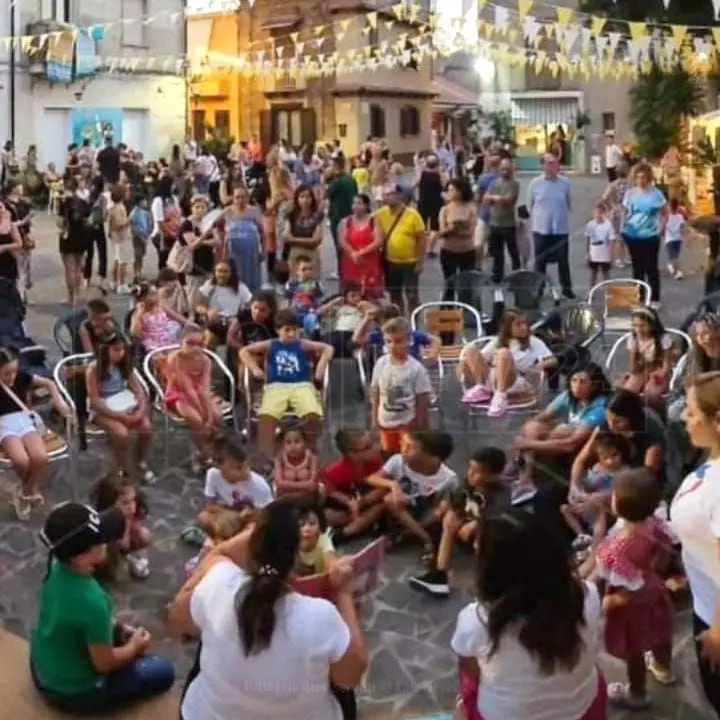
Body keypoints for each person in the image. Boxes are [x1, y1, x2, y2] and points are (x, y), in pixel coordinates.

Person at [168, 500, 368, 720]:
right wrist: (344, 592)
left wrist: (256, 531)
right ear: (295, 557)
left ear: (253, 542)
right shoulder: (321, 616)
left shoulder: (218, 581)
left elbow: (178, 621)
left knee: (207, 630)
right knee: (337, 669)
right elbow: (350, 676)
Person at [450, 509, 606, 720]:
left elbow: (472, 671)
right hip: (582, 709)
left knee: (467, 680)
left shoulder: (477, 621)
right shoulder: (587, 597)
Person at [30, 503, 174, 713]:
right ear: (80, 557)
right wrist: (134, 647)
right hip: (70, 691)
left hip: (41, 665)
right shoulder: (93, 601)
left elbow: (75, 615)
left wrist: (114, 626)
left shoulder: (56, 565)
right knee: (163, 670)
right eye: (100, 540)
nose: (107, 541)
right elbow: (103, 664)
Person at [595, 468, 674, 709]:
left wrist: (604, 604)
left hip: (631, 604)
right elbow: (662, 558)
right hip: (653, 589)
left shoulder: (617, 549)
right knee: (661, 631)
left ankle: (638, 694)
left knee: (634, 650)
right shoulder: (655, 523)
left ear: (621, 504)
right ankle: (663, 669)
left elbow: (622, 594)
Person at [672, 372, 720, 716]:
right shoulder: (712, 457)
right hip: (705, 601)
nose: (683, 418)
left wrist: (718, 632)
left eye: (691, 412)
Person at [409, 446, 508, 597]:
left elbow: (496, 517)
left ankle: (489, 585)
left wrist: (476, 524)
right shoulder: (470, 483)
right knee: (448, 518)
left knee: (483, 541)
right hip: (465, 529)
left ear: (492, 476)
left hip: (487, 536)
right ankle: (439, 575)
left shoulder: (500, 494)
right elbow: (457, 499)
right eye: (470, 468)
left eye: (477, 472)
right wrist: (450, 508)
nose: (470, 474)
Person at [239, 310, 333, 460]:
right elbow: (244, 351)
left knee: (313, 414)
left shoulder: (302, 344)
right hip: (276, 386)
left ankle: (310, 449)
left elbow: (328, 348)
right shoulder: (272, 344)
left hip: (301, 385)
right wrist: (254, 368)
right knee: (267, 417)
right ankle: (267, 458)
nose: (291, 334)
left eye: (294, 330)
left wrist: (321, 366)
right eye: (287, 330)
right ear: (278, 330)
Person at [366, 429, 457, 558]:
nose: (403, 450)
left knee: (443, 509)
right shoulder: (398, 461)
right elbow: (372, 478)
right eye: (404, 445)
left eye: (410, 447)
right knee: (389, 498)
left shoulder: (449, 478)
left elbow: (446, 504)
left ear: (431, 456)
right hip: (400, 506)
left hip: (426, 513)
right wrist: (393, 485)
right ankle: (424, 537)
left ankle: (406, 534)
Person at [459, 309, 555, 418]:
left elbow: (553, 360)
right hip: (492, 379)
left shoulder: (533, 341)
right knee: (470, 350)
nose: (523, 328)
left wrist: (538, 366)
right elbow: (482, 359)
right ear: (508, 328)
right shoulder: (498, 341)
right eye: (518, 325)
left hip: (515, 380)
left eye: (525, 324)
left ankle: (500, 395)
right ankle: (482, 388)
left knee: (503, 353)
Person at [85, 333, 155, 482]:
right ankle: (122, 468)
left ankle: (141, 461)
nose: (120, 354)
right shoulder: (94, 369)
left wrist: (141, 410)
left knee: (146, 427)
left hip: (124, 402)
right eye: (116, 350)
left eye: (122, 350)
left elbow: (139, 390)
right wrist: (119, 416)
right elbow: (95, 400)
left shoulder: (124, 366)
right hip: (104, 408)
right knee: (121, 434)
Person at [164, 325, 224, 471]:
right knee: (196, 419)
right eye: (190, 343)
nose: (195, 348)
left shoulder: (205, 360)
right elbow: (187, 389)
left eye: (200, 344)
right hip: (178, 394)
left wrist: (209, 415)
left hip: (198, 393)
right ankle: (202, 453)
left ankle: (210, 448)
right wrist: (204, 415)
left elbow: (204, 388)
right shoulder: (175, 358)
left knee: (217, 416)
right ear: (181, 343)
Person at [370, 317, 433, 455]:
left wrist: (421, 427)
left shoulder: (416, 369)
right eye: (388, 341)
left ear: (408, 340)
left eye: (398, 341)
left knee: (408, 455)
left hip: (407, 424)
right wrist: (374, 419)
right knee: (388, 455)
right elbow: (376, 392)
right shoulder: (381, 363)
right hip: (385, 422)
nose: (392, 346)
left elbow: (422, 400)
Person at [561, 431, 628, 553]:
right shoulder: (597, 468)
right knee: (565, 508)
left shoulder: (623, 471)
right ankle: (582, 535)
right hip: (590, 503)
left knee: (600, 510)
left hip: (607, 508)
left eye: (614, 456)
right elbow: (589, 485)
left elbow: (621, 492)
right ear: (599, 458)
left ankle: (597, 543)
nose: (610, 461)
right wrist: (579, 492)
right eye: (605, 458)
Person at [197, 437, 273, 537]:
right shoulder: (213, 475)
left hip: (250, 522)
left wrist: (244, 518)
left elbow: (265, 517)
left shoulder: (259, 485)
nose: (245, 471)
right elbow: (210, 506)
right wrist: (230, 515)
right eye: (237, 468)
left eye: (245, 466)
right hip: (231, 514)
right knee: (203, 517)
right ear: (220, 466)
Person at [322, 427, 387, 541]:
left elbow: (385, 486)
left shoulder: (376, 462)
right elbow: (329, 489)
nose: (374, 448)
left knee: (382, 505)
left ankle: (345, 533)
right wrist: (348, 501)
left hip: (367, 502)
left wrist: (363, 501)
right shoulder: (337, 470)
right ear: (351, 454)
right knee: (328, 515)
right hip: (347, 504)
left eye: (372, 443)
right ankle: (359, 526)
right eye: (367, 447)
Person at [527, 153, 574, 299]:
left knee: (563, 261)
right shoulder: (535, 183)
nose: (553, 166)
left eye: (555, 163)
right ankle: (538, 289)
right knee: (540, 261)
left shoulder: (565, 182)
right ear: (543, 166)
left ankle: (567, 289)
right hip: (541, 229)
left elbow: (569, 203)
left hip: (560, 228)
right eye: (549, 163)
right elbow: (530, 205)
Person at [621, 162, 667, 308]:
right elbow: (625, 211)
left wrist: (661, 229)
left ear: (648, 178)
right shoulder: (630, 193)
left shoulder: (656, 194)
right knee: (637, 268)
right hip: (632, 234)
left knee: (651, 267)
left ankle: (655, 299)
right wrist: (622, 227)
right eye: (637, 177)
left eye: (642, 177)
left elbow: (664, 213)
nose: (639, 180)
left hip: (650, 235)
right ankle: (638, 296)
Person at [90, 473, 152, 580]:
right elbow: (124, 544)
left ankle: (131, 559)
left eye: (133, 500)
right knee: (108, 564)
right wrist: (126, 524)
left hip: (121, 539)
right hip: (108, 546)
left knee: (144, 535)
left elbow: (136, 530)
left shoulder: (131, 514)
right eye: (125, 503)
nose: (131, 506)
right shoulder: (104, 521)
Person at [376, 184, 426, 314]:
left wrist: (420, 263)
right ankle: (399, 322)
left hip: (410, 262)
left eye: (389, 194)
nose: (385, 198)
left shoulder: (412, 215)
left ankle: (414, 323)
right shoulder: (381, 214)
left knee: (412, 296)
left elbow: (421, 239)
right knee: (394, 295)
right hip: (390, 262)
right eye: (384, 195)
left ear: (399, 196)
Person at [617, 306, 674, 405]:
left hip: (659, 371)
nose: (639, 330)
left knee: (651, 394)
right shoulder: (633, 339)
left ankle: (654, 415)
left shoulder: (662, 339)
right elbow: (633, 369)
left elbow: (666, 364)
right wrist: (634, 352)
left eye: (643, 325)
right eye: (635, 326)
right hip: (640, 370)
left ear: (652, 325)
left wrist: (659, 374)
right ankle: (632, 415)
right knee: (627, 393)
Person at [337, 193, 384, 300]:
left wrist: (361, 252)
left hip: (369, 262)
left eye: (359, 203)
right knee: (351, 292)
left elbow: (378, 240)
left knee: (370, 294)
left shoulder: (374, 221)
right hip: (351, 262)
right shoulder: (345, 222)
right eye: (353, 203)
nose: (355, 206)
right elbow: (342, 240)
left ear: (367, 206)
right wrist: (353, 253)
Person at [196, 260, 252, 348]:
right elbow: (198, 306)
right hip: (213, 324)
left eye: (225, 271)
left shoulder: (241, 287)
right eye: (219, 271)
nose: (221, 275)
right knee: (209, 341)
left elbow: (250, 305)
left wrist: (240, 319)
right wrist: (207, 311)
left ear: (231, 273)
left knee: (235, 341)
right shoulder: (209, 285)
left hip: (233, 323)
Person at [485, 157, 520, 284]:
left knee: (513, 252)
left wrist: (494, 198)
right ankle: (497, 275)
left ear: (511, 170)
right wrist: (497, 198)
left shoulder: (514, 184)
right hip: (494, 223)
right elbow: (486, 199)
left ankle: (517, 275)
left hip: (508, 224)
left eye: (507, 169)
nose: (505, 171)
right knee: (497, 252)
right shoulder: (494, 183)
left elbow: (508, 200)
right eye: (502, 169)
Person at [438, 177, 477, 289]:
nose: (449, 193)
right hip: (448, 250)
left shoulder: (470, 208)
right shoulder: (445, 209)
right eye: (448, 190)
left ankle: (465, 304)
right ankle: (448, 305)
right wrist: (451, 229)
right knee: (449, 281)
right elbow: (441, 231)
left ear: (460, 191)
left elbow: (470, 232)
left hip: (467, 250)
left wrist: (458, 229)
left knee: (466, 283)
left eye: (452, 190)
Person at [224, 184, 264, 293]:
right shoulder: (227, 211)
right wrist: (224, 253)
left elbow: (262, 231)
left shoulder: (254, 211)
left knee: (252, 275)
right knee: (236, 274)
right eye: (237, 197)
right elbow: (223, 234)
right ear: (233, 198)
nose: (240, 200)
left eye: (243, 197)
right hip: (234, 251)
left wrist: (263, 250)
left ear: (247, 197)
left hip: (251, 252)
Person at [282, 185, 324, 277]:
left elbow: (317, 240)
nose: (305, 200)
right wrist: (308, 241)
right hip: (294, 254)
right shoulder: (291, 214)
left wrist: (294, 240)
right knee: (295, 285)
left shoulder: (317, 215)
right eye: (302, 197)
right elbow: (286, 237)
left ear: (312, 199)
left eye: (308, 197)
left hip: (311, 254)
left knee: (311, 285)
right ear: (297, 198)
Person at [327, 154, 357, 279]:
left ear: (335, 166)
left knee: (339, 246)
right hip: (351, 215)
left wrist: (327, 178)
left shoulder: (337, 182)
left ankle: (341, 271)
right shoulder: (351, 179)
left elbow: (327, 194)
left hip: (337, 217)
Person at [273, 427, 320, 502]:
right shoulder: (279, 459)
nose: (293, 446)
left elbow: (313, 485)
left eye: (297, 442)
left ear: (304, 443)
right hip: (284, 501)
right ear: (283, 445)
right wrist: (305, 486)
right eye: (288, 442)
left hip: (308, 501)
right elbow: (279, 483)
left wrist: (288, 488)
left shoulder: (312, 458)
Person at [285, 255, 324, 335]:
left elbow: (319, 301)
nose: (308, 272)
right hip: (295, 314)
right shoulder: (291, 284)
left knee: (313, 332)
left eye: (310, 269)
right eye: (304, 269)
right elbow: (287, 300)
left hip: (311, 314)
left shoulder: (316, 284)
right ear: (297, 271)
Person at [416, 153, 445, 256]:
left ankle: (420, 247)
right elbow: (444, 185)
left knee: (421, 227)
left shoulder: (422, 174)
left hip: (423, 202)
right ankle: (430, 250)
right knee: (434, 228)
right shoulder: (438, 175)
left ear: (426, 164)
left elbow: (415, 184)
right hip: (436, 203)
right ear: (437, 164)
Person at [107, 184, 132, 294]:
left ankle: (114, 281)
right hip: (122, 237)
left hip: (115, 237)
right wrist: (129, 221)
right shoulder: (120, 208)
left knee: (117, 260)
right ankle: (121, 284)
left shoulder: (113, 207)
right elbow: (120, 223)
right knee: (123, 261)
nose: (128, 194)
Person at [584, 200, 615, 286]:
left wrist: (611, 254)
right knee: (593, 273)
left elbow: (611, 240)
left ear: (604, 214)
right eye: (596, 213)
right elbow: (588, 239)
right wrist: (588, 253)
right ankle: (591, 292)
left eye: (601, 213)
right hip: (594, 251)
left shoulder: (608, 225)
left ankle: (608, 292)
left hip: (604, 251)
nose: (598, 215)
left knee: (605, 273)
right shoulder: (590, 224)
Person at [129, 196, 152, 284]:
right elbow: (132, 226)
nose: (145, 202)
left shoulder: (145, 213)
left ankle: (139, 273)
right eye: (144, 201)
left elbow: (148, 225)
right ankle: (136, 274)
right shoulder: (134, 213)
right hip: (137, 237)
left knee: (141, 256)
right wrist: (140, 235)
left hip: (143, 236)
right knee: (137, 256)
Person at [665, 197, 686, 280]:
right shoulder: (680, 217)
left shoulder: (667, 217)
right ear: (678, 207)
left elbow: (663, 226)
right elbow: (682, 228)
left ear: (669, 207)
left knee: (673, 256)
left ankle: (672, 267)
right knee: (676, 256)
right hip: (678, 239)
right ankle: (678, 272)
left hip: (669, 239)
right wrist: (684, 237)